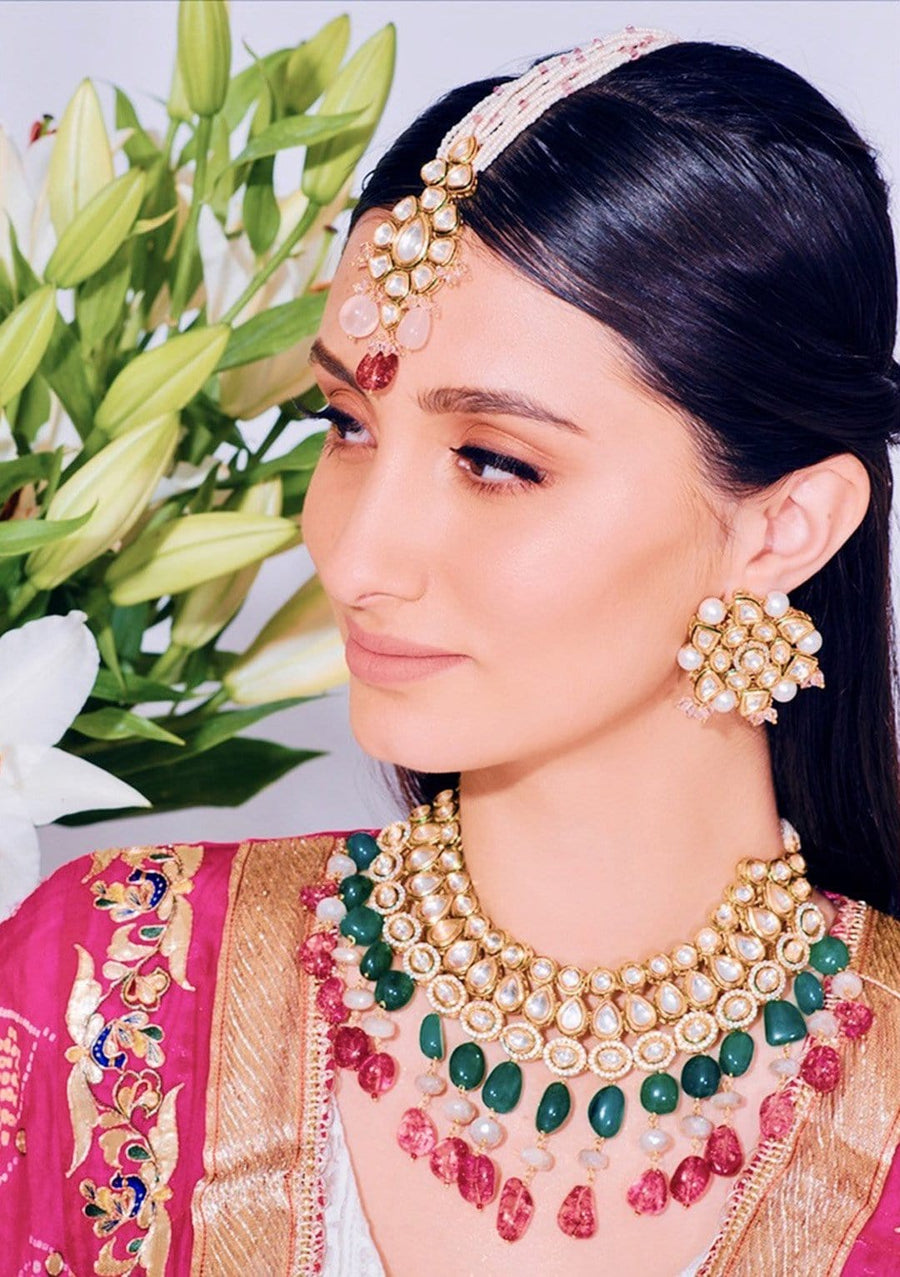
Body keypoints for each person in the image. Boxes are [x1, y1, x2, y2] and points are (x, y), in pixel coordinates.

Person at [1, 24, 899, 1277]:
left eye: (495, 460)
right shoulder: (102, 983)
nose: (355, 554)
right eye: (346, 423)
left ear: (782, 526)